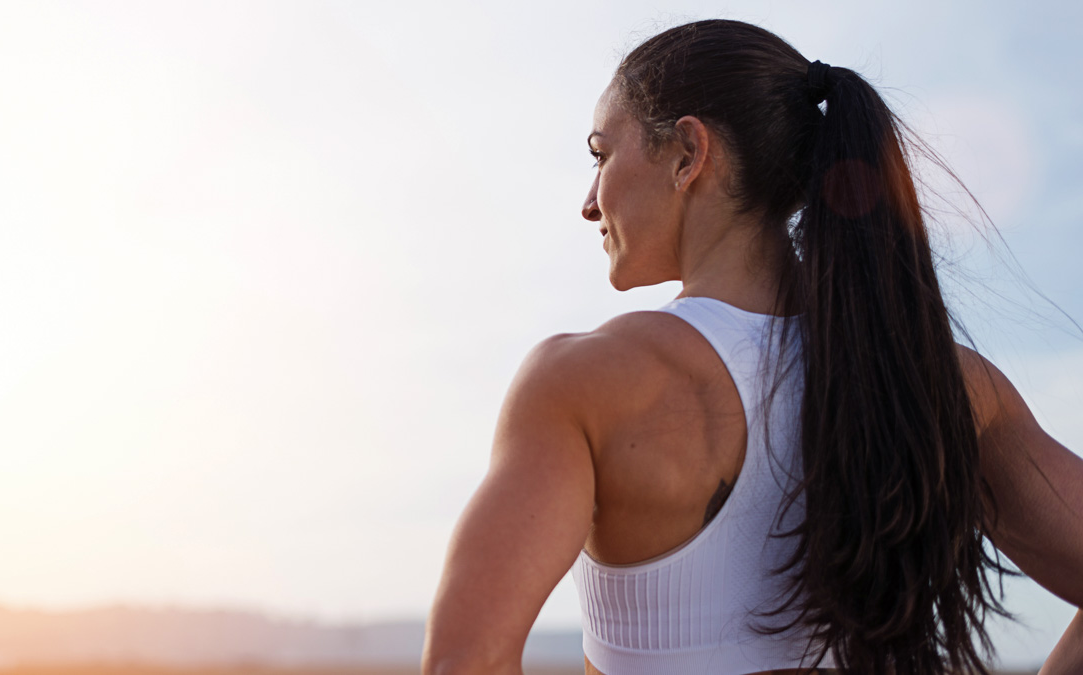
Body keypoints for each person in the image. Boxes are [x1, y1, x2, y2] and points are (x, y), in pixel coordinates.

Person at [421, 19, 1083, 675]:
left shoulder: (588, 381)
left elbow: (466, 660)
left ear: (688, 153)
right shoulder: (941, 382)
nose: (589, 203)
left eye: (601, 154)